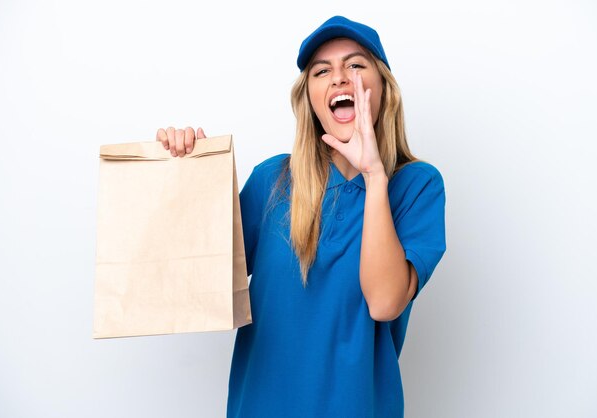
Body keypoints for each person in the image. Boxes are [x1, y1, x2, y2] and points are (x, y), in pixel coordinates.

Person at [156, 15, 446, 418]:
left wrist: (374, 175)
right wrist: (188, 176)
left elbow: (384, 303)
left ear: (383, 89)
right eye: (321, 71)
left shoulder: (416, 186)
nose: (340, 78)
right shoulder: (271, 181)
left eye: (356, 65)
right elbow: (198, 285)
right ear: (309, 96)